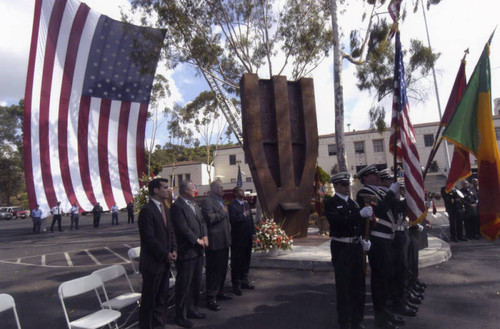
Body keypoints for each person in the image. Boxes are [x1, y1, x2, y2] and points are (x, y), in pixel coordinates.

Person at [355, 165, 404, 329]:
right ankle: (380, 318)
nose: (377, 176)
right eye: (372, 174)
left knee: (389, 278)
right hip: (378, 241)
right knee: (380, 281)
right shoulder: (364, 193)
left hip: (389, 240)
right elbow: (381, 210)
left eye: (376, 173)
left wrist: (409, 199)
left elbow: (395, 210)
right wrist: (391, 193)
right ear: (364, 178)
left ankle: (387, 312)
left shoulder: (382, 192)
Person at [324, 172, 372, 329]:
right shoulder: (331, 203)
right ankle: (344, 321)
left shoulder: (353, 204)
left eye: (348, 184)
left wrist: (363, 239)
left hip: (356, 247)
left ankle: (357, 320)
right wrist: (359, 215)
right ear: (336, 186)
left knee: (358, 286)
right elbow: (338, 222)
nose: (346, 187)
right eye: (343, 185)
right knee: (344, 287)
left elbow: (359, 225)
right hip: (342, 248)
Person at [138, 178, 177, 329]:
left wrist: (174, 250)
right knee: (149, 301)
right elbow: (149, 239)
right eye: (165, 188)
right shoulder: (147, 211)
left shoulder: (165, 209)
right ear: (155, 190)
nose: (169, 190)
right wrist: (165, 253)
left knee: (162, 298)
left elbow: (171, 233)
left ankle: (159, 325)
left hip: (165, 262)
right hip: (153, 264)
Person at [171, 180, 208, 328]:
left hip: (198, 251)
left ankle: (193, 309)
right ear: (185, 190)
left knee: (196, 282)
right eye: (193, 188)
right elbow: (182, 228)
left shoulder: (194, 204)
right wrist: (196, 240)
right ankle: (180, 315)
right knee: (184, 284)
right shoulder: (177, 206)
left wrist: (205, 236)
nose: (195, 190)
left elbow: (202, 222)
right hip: (186, 251)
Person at [201, 180, 232, 312]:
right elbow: (209, 218)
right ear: (212, 188)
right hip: (215, 242)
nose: (222, 189)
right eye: (219, 187)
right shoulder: (207, 201)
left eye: (222, 187)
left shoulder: (221, 200)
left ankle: (219, 292)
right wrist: (223, 213)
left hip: (224, 241)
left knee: (223, 269)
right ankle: (211, 298)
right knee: (213, 271)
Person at [228, 186, 256, 296]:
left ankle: (244, 281)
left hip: (247, 237)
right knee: (237, 262)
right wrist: (244, 214)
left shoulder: (246, 204)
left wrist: (253, 233)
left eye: (243, 190)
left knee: (246, 260)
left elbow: (251, 220)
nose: (243, 192)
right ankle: (236, 284)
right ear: (235, 193)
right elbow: (233, 220)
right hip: (238, 239)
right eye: (240, 190)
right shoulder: (232, 206)